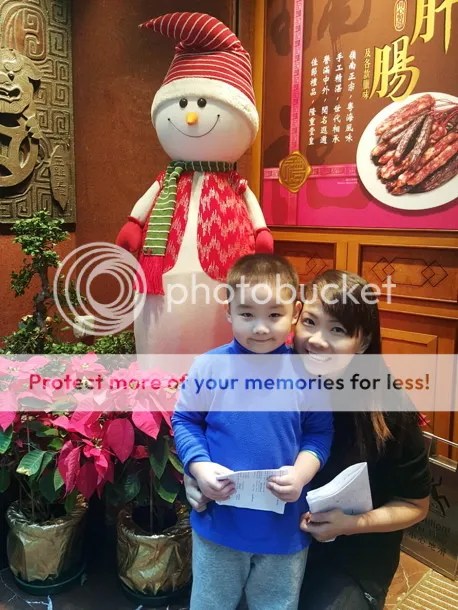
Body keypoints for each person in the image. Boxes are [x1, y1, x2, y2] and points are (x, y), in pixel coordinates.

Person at [185, 269, 431, 610]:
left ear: (362, 343)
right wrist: (195, 475)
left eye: (338, 330)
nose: (317, 340)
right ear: (296, 317)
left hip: (347, 552)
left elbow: (416, 506)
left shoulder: (389, 408)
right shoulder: (271, 372)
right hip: (276, 530)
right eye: (311, 322)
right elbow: (203, 426)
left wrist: (350, 525)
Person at [172, 254, 333, 610]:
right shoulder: (208, 367)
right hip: (219, 524)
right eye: (247, 314)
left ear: (295, 313)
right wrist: (199, 466)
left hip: (283, 530)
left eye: (274, 315)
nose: (261, 328)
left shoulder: (307, 374)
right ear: (228, 311)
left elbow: (319, 434)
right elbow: (185, 421)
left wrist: (302, 474)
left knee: (276, 604)